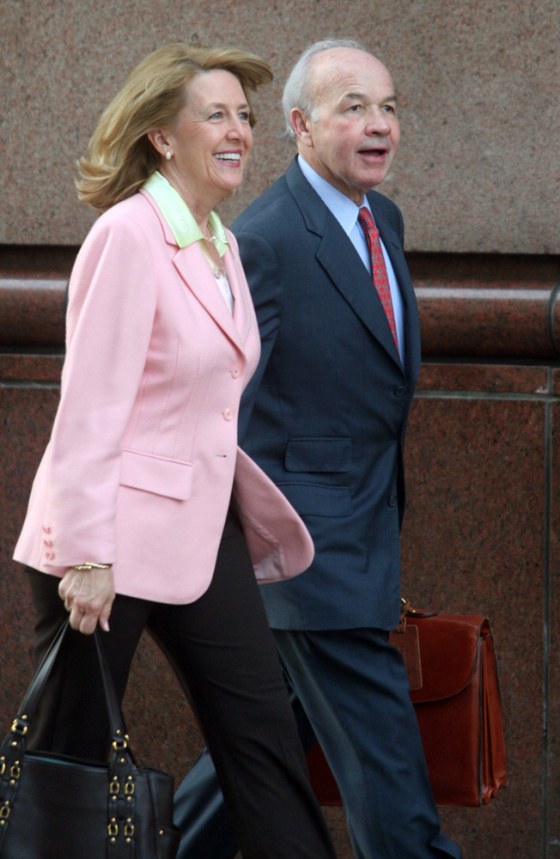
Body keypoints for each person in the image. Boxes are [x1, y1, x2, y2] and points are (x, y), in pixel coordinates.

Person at [12, 42, 337, 859]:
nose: (238, 131)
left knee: (263, 734)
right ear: (162, 134)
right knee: (71, 766)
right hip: (105, 545)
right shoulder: (129, 234)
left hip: (198, 533)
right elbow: (89, 409)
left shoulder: (218, 242)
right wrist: (85, 553)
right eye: (216, 114)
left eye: (246, 117)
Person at [174, 39, 462, 858]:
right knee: (396, 801)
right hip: (311, 560)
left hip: (361, 538)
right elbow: (224, 406)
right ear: (299, 125)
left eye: (390, 107)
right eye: (354, 108)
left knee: (248, 762)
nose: (380, 126)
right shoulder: (261, 240)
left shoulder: (384, 221)